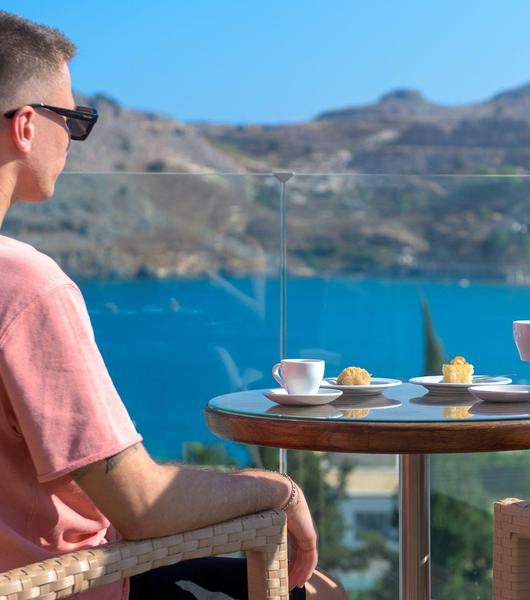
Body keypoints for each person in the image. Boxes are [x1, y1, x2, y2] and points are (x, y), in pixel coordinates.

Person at [0, 11, 321, 600]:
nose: (73, 139)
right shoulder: (24, 286)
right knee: (317, 591)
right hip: (63, 586)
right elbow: (143, 505)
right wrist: (279, 488)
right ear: (24, 126)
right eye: (73, 120)